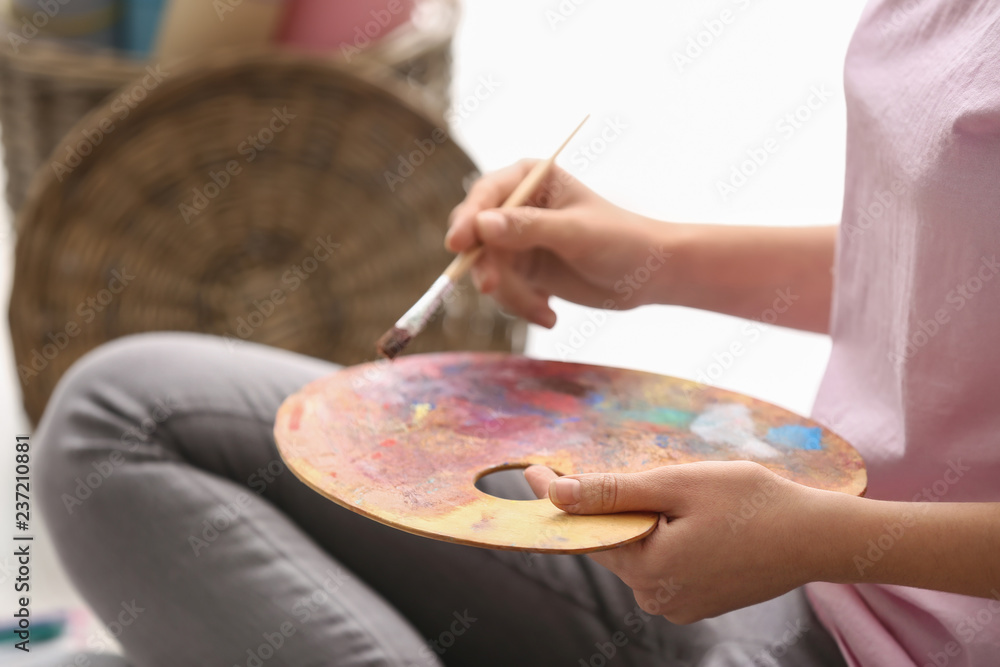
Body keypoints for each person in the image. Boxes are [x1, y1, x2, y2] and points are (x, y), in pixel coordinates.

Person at [36, 1, 999, 665]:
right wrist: (654, 258)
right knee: (116, 414)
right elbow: (951, 263)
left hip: (859, 602)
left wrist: (834, 539)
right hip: (799, 586)